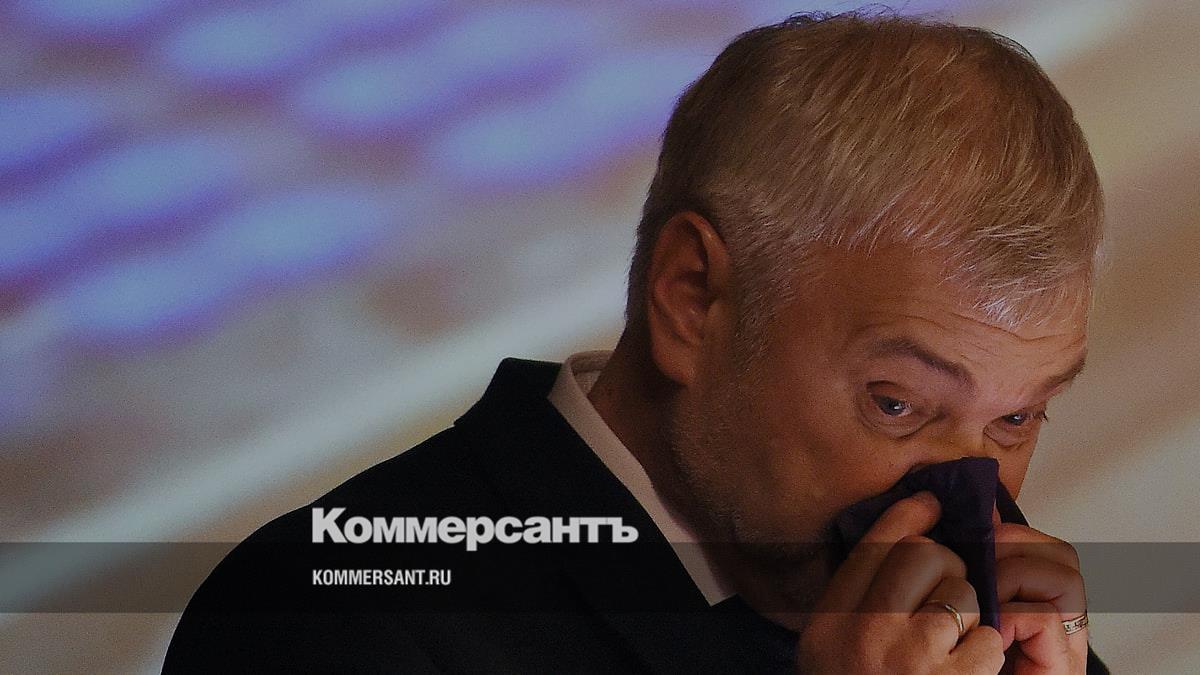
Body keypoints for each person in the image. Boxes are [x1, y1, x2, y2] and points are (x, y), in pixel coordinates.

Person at [165, 10, 1110, 674]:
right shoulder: (327, 617)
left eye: (1017, 417)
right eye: (895, 402)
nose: (970, 499)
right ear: (691, 299)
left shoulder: (1000, 647)